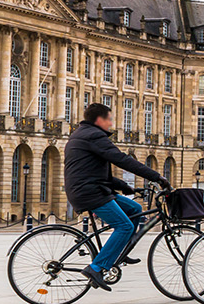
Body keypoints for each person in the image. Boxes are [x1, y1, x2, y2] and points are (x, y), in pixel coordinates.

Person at [63, 103, 169, 291]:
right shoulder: (94, 136)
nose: (111, 124)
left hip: (89, 188)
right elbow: (121, 159)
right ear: (100, 120)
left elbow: (95, 173)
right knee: (125, 225)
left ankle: (118, 251)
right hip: (90, 193)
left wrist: (126, 188)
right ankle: (96, 268)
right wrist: (156, 176)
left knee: (135, 209)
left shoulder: (81, 134)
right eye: (109, 119)